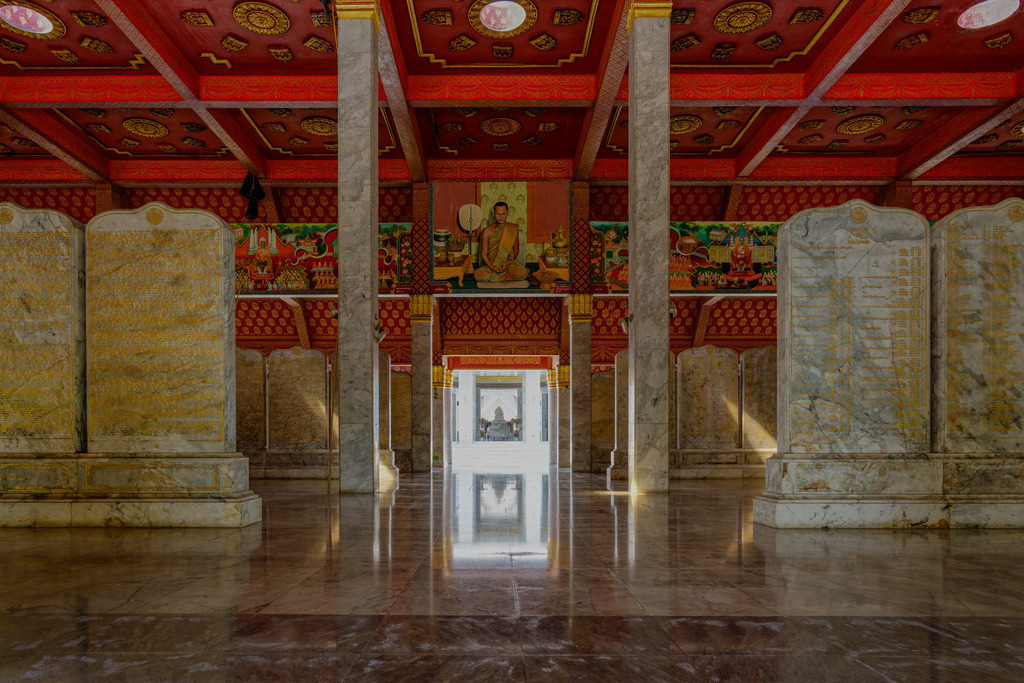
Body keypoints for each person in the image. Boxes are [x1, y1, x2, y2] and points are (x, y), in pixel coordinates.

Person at [474, 202, 529, 283]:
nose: (501, 217)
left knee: (523, 272)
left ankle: (496, 277)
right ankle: (503, 276)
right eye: (498, 214)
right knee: (478, 274)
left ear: (507, 214)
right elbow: (484, 254)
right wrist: (492, 268)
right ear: (493, 214)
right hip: (492, 264)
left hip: (508, 264)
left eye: (503, 214)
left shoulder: (513, 229)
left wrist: (507, 263)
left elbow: (516, 251)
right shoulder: (487, 231)